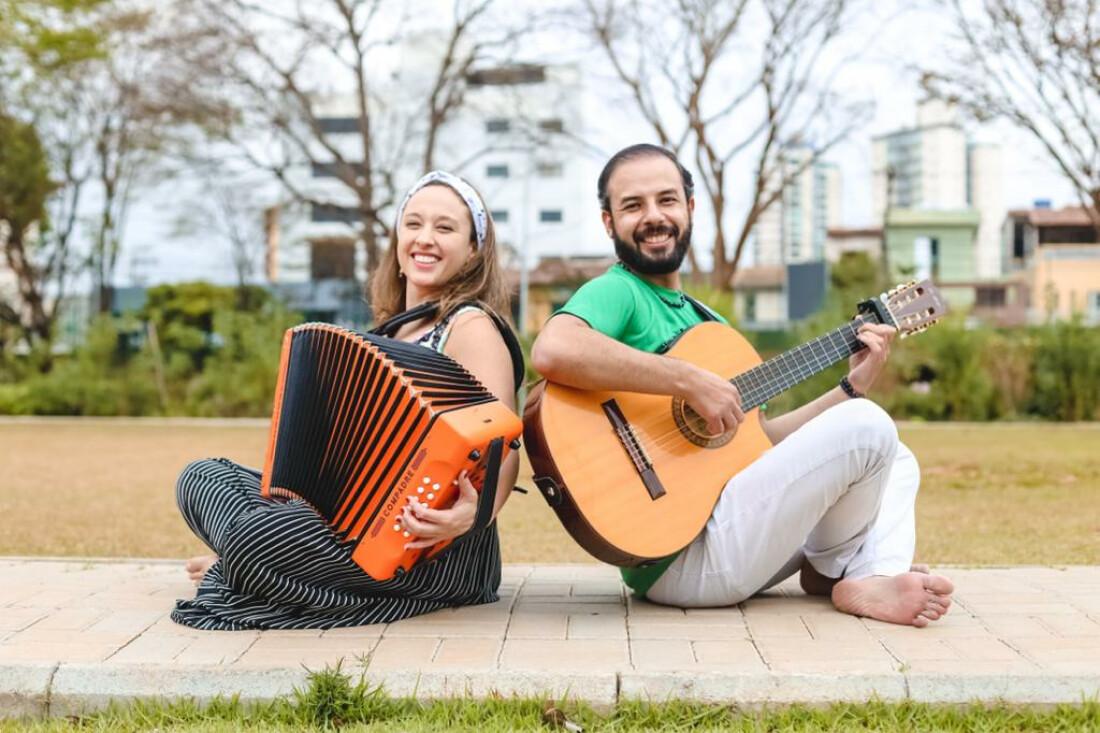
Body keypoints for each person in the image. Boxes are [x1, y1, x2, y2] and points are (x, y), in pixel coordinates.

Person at [530, 144, 954, 627]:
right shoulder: (619, 291)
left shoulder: (708, 323)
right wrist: (687, 380)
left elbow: (759, 446)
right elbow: (553, 350)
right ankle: (867, 573)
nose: (653, 216)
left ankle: (848, 573)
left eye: (667, 200)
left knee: (893, 451)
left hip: (735, 539)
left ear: (689, 209)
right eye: (633, 205)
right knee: (871, 426)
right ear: (609, 222)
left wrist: (849, 390)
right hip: (678, 557)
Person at [173, 171, 521, 630]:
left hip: (429, 549)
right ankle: (258, 561)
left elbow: (504, 447)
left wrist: (472, 516)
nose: (425, 238)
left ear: (475, 249)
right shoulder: (388, 332)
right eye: (413, 224)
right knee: (201, 477)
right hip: (351, 524)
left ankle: (248, 563)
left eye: (445, 227)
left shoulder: (469, 325)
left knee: (257, 537)